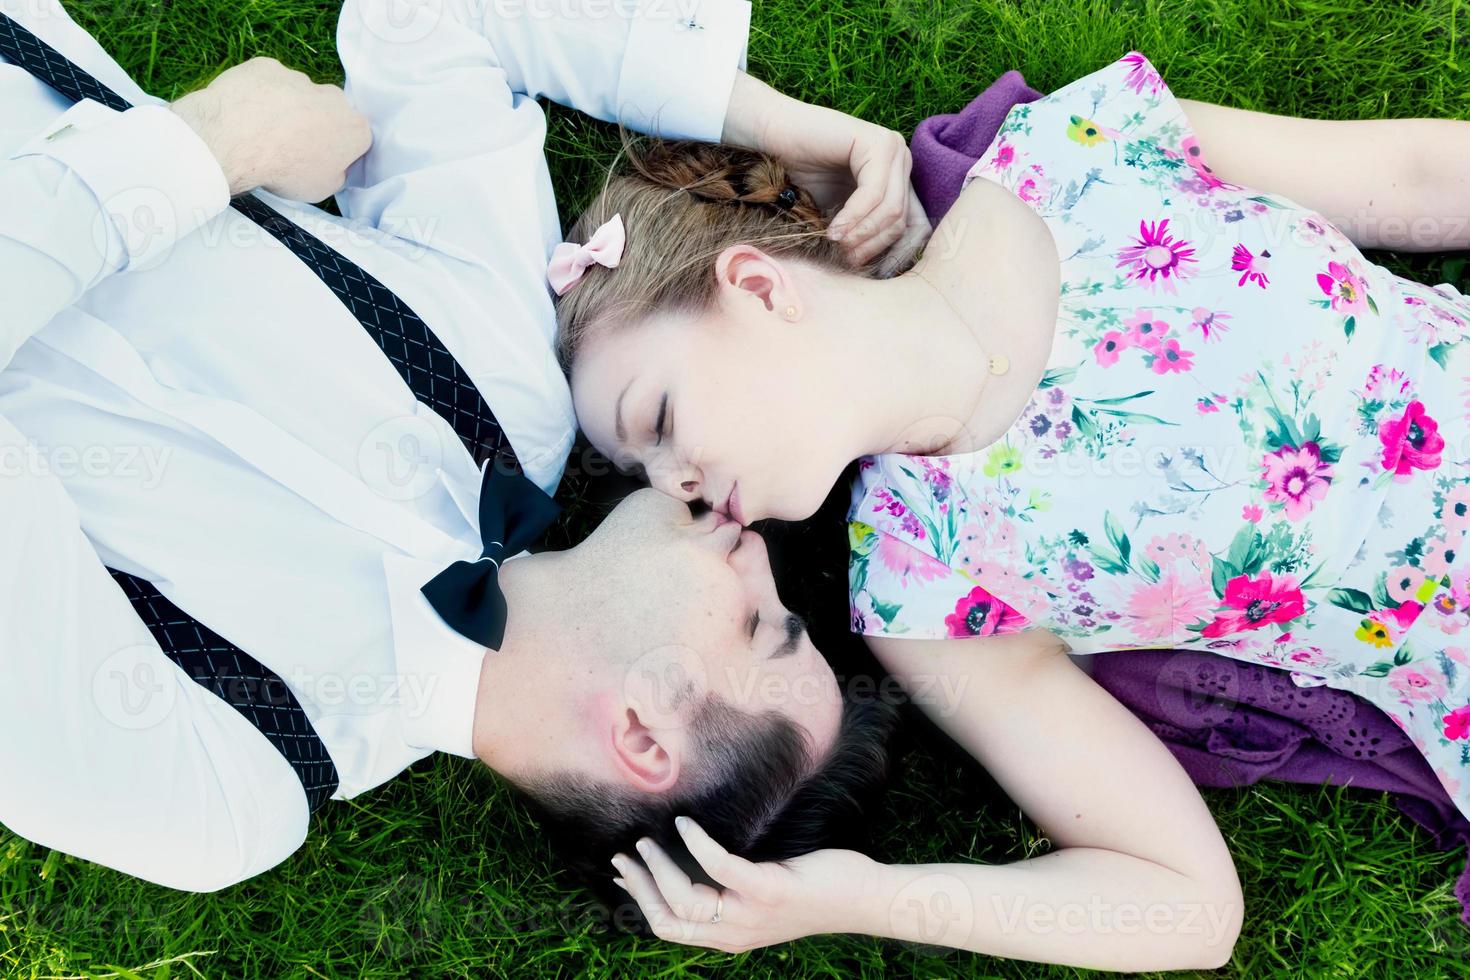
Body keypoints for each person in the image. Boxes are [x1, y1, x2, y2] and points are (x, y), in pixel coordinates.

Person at [557, 49, 1470, 966]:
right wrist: (858, 895)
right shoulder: (925, 582)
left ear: (758, 286)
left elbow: (1413, 179)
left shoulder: (1075, 150)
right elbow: (1189, 908)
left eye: (659, 417)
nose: (673, 485)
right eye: (644, 470)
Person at [0, 0, 913, 895]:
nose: (757, 551)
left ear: (643, 735)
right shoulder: (511, 392)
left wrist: (210, 147)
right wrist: (770, 124)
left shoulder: (216, 789)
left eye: (762, 624)